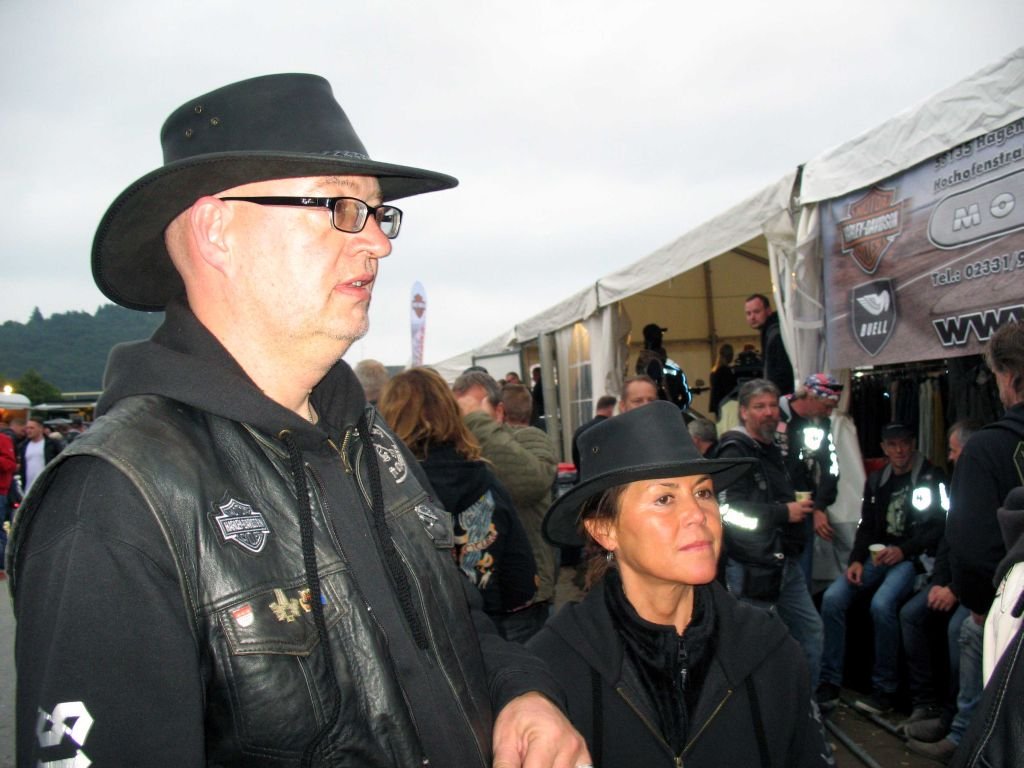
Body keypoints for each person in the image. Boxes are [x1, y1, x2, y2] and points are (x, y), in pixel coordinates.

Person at [7, 74, 587, 767]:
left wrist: (521, 692)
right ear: (216, 230)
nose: (379, 244)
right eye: (340, 207)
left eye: (378, 214)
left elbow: (454, 624)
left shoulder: (367, 439)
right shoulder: (118, 499)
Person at [528, 401, 831, 767]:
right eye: (664, 498)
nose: (697, 515)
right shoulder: (552, 669)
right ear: (605, 530)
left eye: (703, 493)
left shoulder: (770, 649)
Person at [911, 319, 1024, 763]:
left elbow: (969, 545)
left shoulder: (987, 448)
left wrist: (981, 604)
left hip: (1010, 611)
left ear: (1009, 376)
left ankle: (966, 737)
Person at [376, 368, 538, 637]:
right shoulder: (477, 475)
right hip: (498, 624)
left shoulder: (381, 485)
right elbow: (507, 577)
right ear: (450, 411)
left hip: (426, 630)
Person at [817, 422, 947, 717]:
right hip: (878, 556)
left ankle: (884, 690)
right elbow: (867, 525)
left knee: (882, 604)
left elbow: (939, 525)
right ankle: (830, 680)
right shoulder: (877, 480)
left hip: (911, 559)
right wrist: (855, 560)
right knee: (833, 598)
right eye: (893, 444)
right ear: (884, 448)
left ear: (913, 444)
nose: (899, 450)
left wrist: (904, 550)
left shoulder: (930, 477)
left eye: (904, 443)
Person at [713, 379, 822, 687]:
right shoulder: (734, 451)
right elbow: (727, 513)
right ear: (744, 412)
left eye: (773, 405)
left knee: (810, 632)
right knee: (754, 648)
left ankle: (804, 706)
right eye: (759, 406)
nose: (769, 412)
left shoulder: (772, 448)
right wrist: (783, 513)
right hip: (750, 568)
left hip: (784, 562)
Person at [453, 372, 558, 639]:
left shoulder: (528, 438)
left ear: (499, 411)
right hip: (470, 604)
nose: (464, 417)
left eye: (473, 407)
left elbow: (530, 483)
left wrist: (476, 420)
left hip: (520, 603)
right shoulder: (452, 451)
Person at [898, 422, 980, 737]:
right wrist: (940, 582)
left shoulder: (985, 486)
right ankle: (926, 702)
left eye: (953, 450)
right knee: (911, 614)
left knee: (961, 630)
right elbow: (949, 540)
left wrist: (955, 589)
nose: (949, 456)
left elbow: (986, 551)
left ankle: (958, 723)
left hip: (977, 584)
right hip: (952, 577)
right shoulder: (959, 484)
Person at [776, 373, 842, 590]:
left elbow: (831, 466)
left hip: (804, 506)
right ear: (811, 397)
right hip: (773, 508)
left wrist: (820, 506)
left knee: (802, 576)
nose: (829, 412)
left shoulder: (820, 424)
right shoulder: (775, 413)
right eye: (827, 406)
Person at [743, 293, 794, 396]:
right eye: (748, 313)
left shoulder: (775, 334)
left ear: (768, 311)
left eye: (757, 312)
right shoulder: (771, 332)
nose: (752, 317)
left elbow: (782, 371)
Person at [16, 416, 61, 493]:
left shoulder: (52, 444)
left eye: (32, 428)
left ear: (40, 429)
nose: (28, 430)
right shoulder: (23, 446)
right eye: (27, 428)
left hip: (47, 488)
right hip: (28, 488)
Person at [571, 395, 617, 471]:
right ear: (611, 409)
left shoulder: (580, 431)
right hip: (608, 475)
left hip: (585, 475)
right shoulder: (613, 430)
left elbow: (576, 458)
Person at [707, 343, 737, 419]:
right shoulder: (725, 371)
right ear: (729, 356)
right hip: (725, 405)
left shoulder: (715, 370)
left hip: (718, 405)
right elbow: (729, 390)